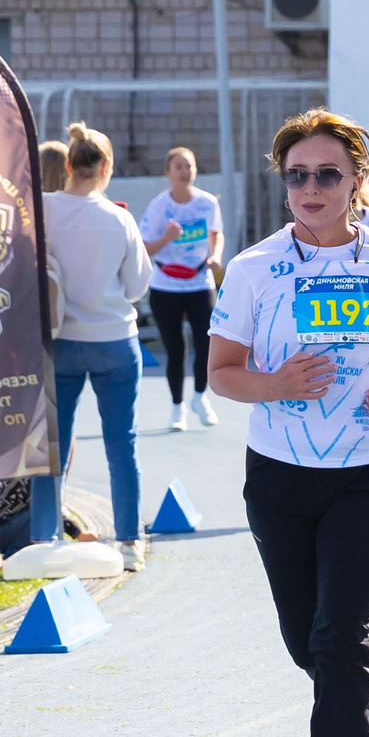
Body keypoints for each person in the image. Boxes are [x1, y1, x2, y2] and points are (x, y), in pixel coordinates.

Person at [208, 109, 369, 737]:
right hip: (278, 477)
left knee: (338, 638)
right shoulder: (254, 269)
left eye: (326, 174)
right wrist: (275, 383)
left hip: (368, 473)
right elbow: (222, 371)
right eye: (297, 175)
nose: (309, 187)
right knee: (305, 638)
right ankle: (356, 694)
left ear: (356, 182)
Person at [38, 122, 151, 569]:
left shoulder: (44, 209)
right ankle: (129, 542)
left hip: (61, 339)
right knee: (122, 443)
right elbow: (137, 286)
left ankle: (45, 536)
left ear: (68, 164)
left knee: (53, 444)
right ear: (106, 166)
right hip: (114, 340)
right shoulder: (119, 218)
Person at [140, 145, 224, 432]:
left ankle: (200, 397)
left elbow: (216, 233)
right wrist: (167, 238)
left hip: (200, 282)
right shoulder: (158, 207)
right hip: (166, 285)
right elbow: (144, 248)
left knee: (207, 342)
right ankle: (178, 408)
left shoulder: (208, 203)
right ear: (168, 172)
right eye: (178, 166)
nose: (185, 172)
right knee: (176, 349)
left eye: (189, 166)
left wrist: (215, 256)